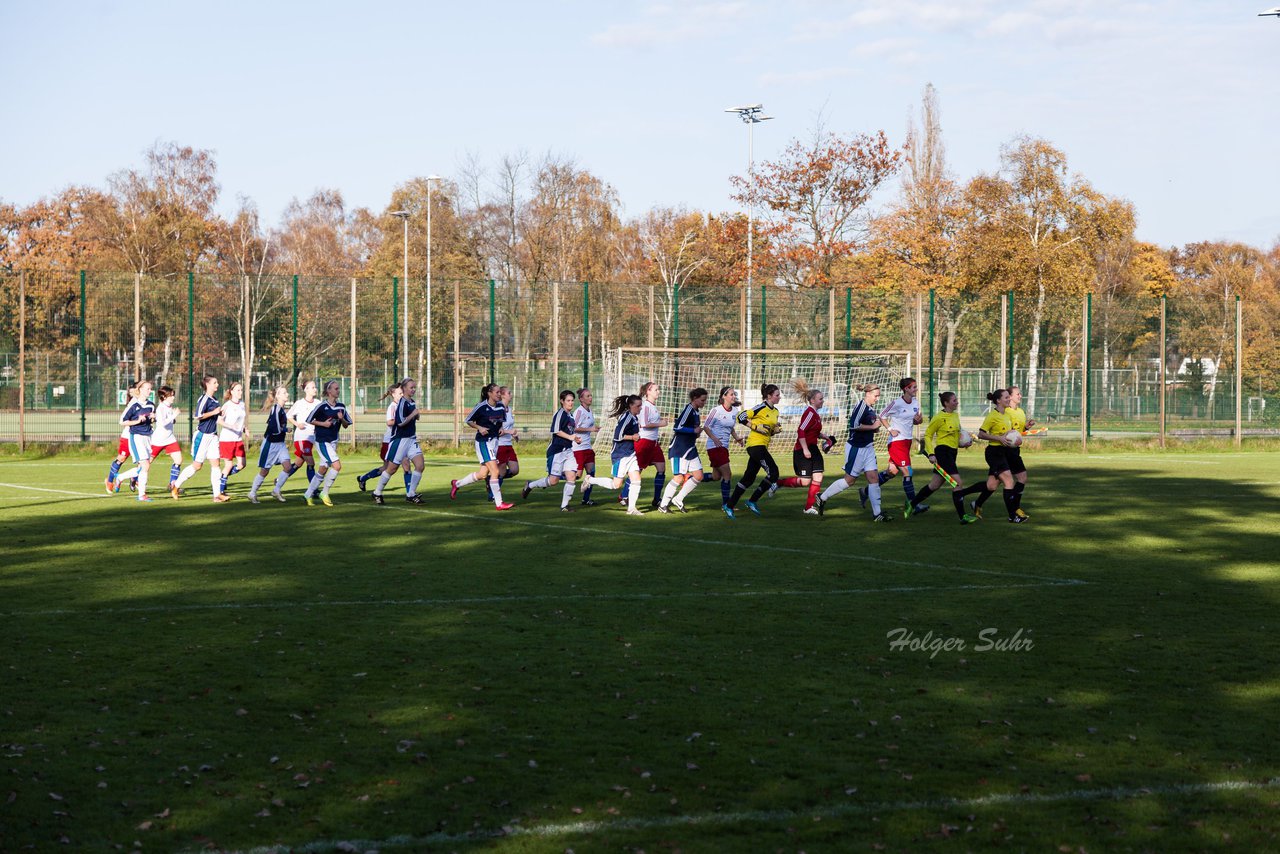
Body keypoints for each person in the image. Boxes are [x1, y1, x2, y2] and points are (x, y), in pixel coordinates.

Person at [814, 383, 891, 521]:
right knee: (849, 481)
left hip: (868, 447)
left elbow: (869, 426)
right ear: (868, 394)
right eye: (876, 396)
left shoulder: (870, 407)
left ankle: (877, 514)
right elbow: (854, 425)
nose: (877, 398)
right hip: (856, 448)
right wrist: (873, 426)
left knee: (873, 478)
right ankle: (822, 497)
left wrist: (875, 428)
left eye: (878, 396)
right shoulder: (861, 407)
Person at [906, 391, 978, 524]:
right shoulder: (939, 417)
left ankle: (912, 503)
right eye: (954, 400)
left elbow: (955, 438)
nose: (957, 402)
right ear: (946, 403)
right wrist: (931, 454)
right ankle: (963, 516)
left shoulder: (955, 416)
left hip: (952, 453)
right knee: (957, 484)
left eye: (956, 400)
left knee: (934, 485)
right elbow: (927, 435)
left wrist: (964, 444)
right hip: (942, 453)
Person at [954, 388, 1024, 523]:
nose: (1009, 399)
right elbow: (981, 433)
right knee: (1009, 481)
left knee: (991, 486)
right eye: (1006, 397)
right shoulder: (993, 415)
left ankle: (961, 493)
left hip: (1003, 452)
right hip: (994, 453)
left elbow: (1008, 433)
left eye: (1009, 397)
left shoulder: (1007, 415)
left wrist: (1016, 438)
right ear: (998, 401)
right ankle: (1012, 516)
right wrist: (999, 439)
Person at [450, 383, 514, 510]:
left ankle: (457, 484)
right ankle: (499, 503)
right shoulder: (481, 406)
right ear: (489, 393)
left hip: (495, 442)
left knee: (483, 474)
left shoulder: (501, 406)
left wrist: (501, 429)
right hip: (483, 442)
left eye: (500, 392)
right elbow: (468, 420)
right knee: (495, 471)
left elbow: (500, 422)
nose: (499, 394)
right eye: (496, 392)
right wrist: (479, 428)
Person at [863, 377, 924, 512]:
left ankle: (865, 491)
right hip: (896, 442)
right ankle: (914, 505)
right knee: (908, 472)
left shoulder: (916, 402)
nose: (916, 389)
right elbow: (882, 415)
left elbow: (917, 421)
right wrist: (890, 430)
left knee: (892, 472)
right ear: (906, 389)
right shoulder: (896, 403)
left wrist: (918, 420)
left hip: (907, 442)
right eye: (913, 387)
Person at [778, 379, 838, 515]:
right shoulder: (809, 413)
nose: (823, 401)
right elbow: (801, 431)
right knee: (805, 482)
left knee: (818, 477)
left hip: (813, 449)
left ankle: (809, 507)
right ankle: (779, 483)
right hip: (802, 449)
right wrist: (805, 449)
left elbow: (815, 433)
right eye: (820, 399)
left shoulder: (816, 414)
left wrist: (827, 438)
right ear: (812, 400)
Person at [580, 394, 645, 515]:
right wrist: (633, 437)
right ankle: (590, 480)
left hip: (630, 454)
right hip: (620, 455)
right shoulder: (627, 418)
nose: (640, 408)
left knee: (636, 479)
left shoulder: (634, 417)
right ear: (631, 405)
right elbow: (618, 436)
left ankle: (631, 509)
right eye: (638, 406)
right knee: (616, 485)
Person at [725, 383, 783, 518]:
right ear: (769, 396)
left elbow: (767, 431)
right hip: (755, 446)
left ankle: (729, 506)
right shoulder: (761, 407)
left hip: (762, 445)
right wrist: (755, 427)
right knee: (773, 473)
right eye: (777, 395)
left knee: (748, 479)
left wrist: (774, 430)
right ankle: (752, 501)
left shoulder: (775, 411)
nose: (779, 397)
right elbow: (740, 417)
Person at [520, 390, 581, 511]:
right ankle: (530, 485)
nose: (571, 403)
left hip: (568, 451)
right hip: (557, 451)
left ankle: (564, 506)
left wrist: (575, 439)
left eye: (572, 400)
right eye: (568, 400)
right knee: (553, 481)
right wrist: (570, 437)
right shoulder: (560, 414)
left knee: (572, 476)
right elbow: (556, 430)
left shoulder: (571, 416)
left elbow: (569, 432)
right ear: (562, 401)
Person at [372, 378, 426, 506]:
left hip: (411, 439)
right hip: (400, 440)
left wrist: (416, 415)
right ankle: (377, 492)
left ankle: (411, 494)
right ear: (404, 389)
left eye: (414, 387)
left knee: (420, 465)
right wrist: (413, 414)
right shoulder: (401, 403)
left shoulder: (411, 402)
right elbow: (400, 422)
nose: (413, 390)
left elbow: (413, 416)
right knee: (392, 469)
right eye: (411, 387)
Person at [173, 375, 224, 501]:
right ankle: (176, 486)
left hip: (213, 436)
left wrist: (220, 413)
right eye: (215, 382)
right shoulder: (204, 399)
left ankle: (216, 495)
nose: (217, 385)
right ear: (207, 385)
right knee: (197, 466)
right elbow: (198, 416)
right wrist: (214, 412)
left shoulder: (215, 399)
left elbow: (214, 416)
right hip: (202, 436)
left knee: (216, 464)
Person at [658, 387, 709, 513]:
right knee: (679, 478)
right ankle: (663, 505)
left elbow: (694, 430)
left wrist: (696, 432)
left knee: (698, 475)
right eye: (702, 400)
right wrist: (693, 431)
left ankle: (678, 499)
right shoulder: (688, 410)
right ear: (695, 398)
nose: (704, 403)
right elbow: (677, 427)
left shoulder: (696, 412)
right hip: (679, 449)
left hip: (690, 448)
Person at [303, 380, 352, 507]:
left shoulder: (341, 406)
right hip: (322, 441)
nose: (338, 390)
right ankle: (324, 493)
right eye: (336, 388)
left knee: (323, 469)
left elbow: (346, 425)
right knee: (337, 466)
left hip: (333, 441)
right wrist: (323, 424)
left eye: (338, 388)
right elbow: (309, 420)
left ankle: (308, 494)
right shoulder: (322, 406)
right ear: (329, 391)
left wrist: (342, 419)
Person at [358, 383, 412, 495]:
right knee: (386, 468)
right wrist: (402, 421)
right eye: (399, 393)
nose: (402, 395)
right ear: (393, 394)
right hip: (390, 442)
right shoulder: (392, 407)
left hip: (402, 440)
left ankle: (410, 493)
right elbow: (389, 422)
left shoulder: (404, 405)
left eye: (403, 393)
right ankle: (363, 478)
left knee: (406, 465)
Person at [248, 386, 299, 504]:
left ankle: (276, 490)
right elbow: (273, 426)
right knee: (265, 471)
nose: (287, 394)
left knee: (288, 467)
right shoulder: (276, 408)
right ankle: (252, 493)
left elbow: (277, 425)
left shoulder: (281, 409)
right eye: (284, 392)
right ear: (278, 396)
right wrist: (283, 430)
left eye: (286, 392)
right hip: (270, 444)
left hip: (280, 444)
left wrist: (285, 429)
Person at [701, 386, 744, 511]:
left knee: (716, 477)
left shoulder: (735, 411)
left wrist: (736, 438)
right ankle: (726, 505)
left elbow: (730, 428)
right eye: (731, 394)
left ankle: (692, 478)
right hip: (715, 447)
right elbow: (706, 427)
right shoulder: (716, 410)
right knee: (727, 474)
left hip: (724, 447)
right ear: (723, 396)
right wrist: (714, 439)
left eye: (734, 394)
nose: (733, 396)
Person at [114, 380, 156, 501]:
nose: (149, 391)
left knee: (142, 467)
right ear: (141, 390)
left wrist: (154, 418)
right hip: (136, 437)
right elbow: (122, 421)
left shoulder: (151, 405)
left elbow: (151, 420)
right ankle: (142, 495)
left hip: (148, 437)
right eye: (147, 389)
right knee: (145, 465)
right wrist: (137, 421)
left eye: (150, 389)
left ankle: (120, 477)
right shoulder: (134, 405)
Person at [632, 381, 669, 508]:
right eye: (656, 390)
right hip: (644, 442)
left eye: (658, 390)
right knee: (637, 471)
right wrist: (661, 424)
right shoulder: (645, 406)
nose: (658, 392)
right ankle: (624, 496)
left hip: (653, 443)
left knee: (661, 468)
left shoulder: (652, 406)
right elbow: (644, 424)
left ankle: (656, 499)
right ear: (648, 391)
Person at [1005, 384, 1035, 520]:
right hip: (1005, 451)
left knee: (993, 484)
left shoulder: (1021, 412)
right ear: (1010, 397)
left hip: (1015, 450)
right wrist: (1011, 439)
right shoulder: (1005, 412)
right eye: (1018, 394)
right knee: (1020, 478)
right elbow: (1004, 432)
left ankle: (976, 502)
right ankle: (1014, 509)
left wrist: (1027, 427)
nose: (1020, 396)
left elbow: (1020, 431)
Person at [217, 381, 250, 500]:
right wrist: (231, 426)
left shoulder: (241, 404)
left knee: (242, 464)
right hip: (227, 439)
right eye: (237, 390)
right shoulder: (227, 405)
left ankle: (222, 478)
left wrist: (245, 428)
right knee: (229, 464)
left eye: (241, 390)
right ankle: (220, 491)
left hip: (238, 439)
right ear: (231, 392)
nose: (240, 392)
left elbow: (241, 420)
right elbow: (219, 421)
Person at [105, 381, 140, 493]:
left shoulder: (147, 403)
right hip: (128, 436)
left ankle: (135, 478)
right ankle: (110, 481)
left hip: (141, 436)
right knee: (121, 458)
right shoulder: (133, 403)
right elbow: (123, 420)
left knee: (142, 461)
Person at [148, 385, 183, 493]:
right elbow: (162, 423)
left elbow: (169, 422)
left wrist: (173, 418)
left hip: (170, 439)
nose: (173, 397)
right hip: (158, 440)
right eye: (171, 395)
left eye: (173, 395)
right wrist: (174, 416)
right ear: (164, 396)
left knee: (178, 460)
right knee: (147, 462)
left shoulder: (169, 407)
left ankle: (173, 484)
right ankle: (134, 478)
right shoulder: (161, 408)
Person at [287, 380, 320, 488]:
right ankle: (313, 490)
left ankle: (279, 480)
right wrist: (297, 424)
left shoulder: (318, 403)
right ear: (306, 390)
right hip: (302, 438)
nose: (315, 389)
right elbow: (289, 416)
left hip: (312, 438)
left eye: (315, 387)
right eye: (312, 387)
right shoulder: (300, 403)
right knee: (311, 463)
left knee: (298, 463)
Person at [572, 388, 601, 506]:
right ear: (581, 399)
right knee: (577, 475)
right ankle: (555, 477)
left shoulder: (590, 410)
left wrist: (595, 428)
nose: (590, 398)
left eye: (591, 396)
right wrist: (590, 429)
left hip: (587, 447)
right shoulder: (579, 411)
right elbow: (574, 427)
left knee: (591, 472)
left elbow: (589, 426)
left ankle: (586, 499)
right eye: (588, 396)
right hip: (578, 448)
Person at [490, 385, 520, 498]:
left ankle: (492, 480)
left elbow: (508, 428)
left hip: (508, 445)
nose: (511, 395)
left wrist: (514, 435)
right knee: (501, 472)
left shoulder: (509, 409)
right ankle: (493, 494)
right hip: (499, 445)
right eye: (509, 393)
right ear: (502, 395)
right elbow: (497, 431)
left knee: (515, 470)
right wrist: (510, 431)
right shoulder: (498, 409)